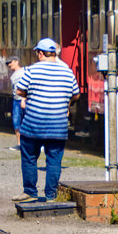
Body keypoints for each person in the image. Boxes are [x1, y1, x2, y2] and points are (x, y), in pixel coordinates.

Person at [12, 38, 78, 203]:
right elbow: (76, 94)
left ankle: (30, 192)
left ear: (40, 53)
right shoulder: (67, 71)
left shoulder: (32, 70)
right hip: (58, 126)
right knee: (54, 161)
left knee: (29, 158)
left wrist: (32, 95)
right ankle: (50, 195)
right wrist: (66, 102)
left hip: (33, 124)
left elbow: (19, 91)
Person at [6, 56, 26, 150]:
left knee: (29, 122)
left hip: (25, 100)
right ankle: (19, 144)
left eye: (10, 62)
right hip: (16, 100)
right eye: (8, 63)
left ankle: (37, 144)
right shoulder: (12, 76)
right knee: (16, 122)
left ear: (17, 61)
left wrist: (24, 98)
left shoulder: (24, 72)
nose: (9, 65)